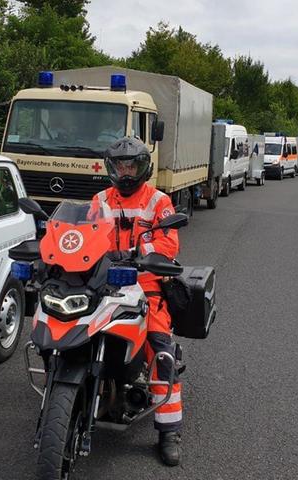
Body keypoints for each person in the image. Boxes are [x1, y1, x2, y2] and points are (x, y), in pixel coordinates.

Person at [91, 137, 184, 466]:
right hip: (101, 279)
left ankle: (168, 431)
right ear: (112, 168)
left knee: (161, 350)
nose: (126, 171)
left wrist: (135, 254)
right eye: (121, 166)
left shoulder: (159, 201)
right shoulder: (100, 199)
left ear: (143, 167)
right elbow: (85, 231)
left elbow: (168, 244)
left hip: (146, 282)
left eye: (132, 165)